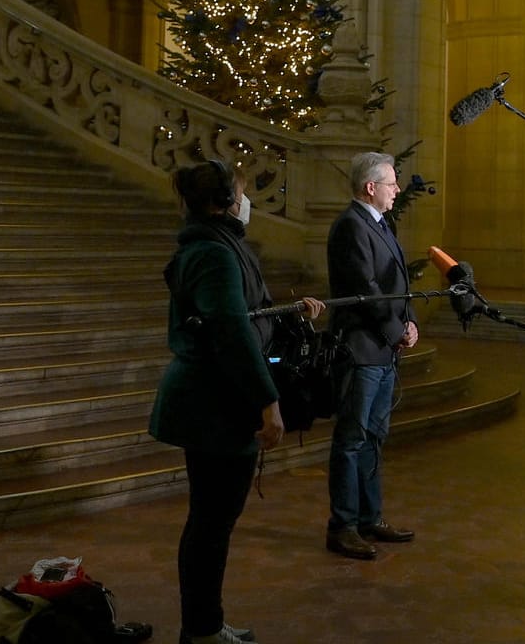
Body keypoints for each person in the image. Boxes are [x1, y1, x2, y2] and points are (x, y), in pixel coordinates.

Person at [149, 160, 324, 644]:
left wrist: (290, 311)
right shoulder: (215, 253)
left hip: (217, 399)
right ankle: (201, 629)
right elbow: (229, 329)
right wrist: (268, 402)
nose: (248, 201)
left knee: (213, 521)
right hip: (213, 405)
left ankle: (205, 622)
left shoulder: (219, 246)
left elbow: (246, 313)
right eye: (243, 192)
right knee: (210, 523)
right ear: (223, 200)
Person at [324, 151, 419, 560]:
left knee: (374, 438)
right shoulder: (350, 227)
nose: (397, 189)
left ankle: (370, 517)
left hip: (381, 350)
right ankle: (343, 524)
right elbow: (367, 289)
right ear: (370, 187)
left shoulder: (379, 223)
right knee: (351, 439)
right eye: (391, 183)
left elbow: (397, 284)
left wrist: (409, 321)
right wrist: (396, 330)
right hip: (361, 348)